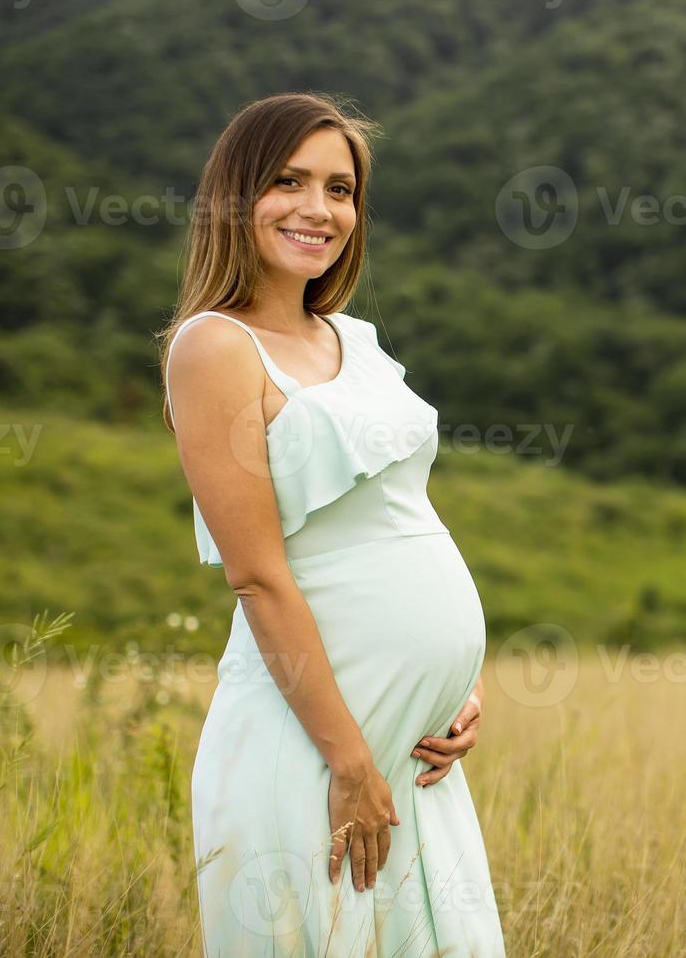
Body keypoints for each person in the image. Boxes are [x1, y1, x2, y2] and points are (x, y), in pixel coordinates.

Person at [159, 92, 506, 956]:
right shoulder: (215, 347)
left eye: (341, 189)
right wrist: (349, 764)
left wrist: (455, 686)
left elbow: (397, 520)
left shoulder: (356, 340)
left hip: (408, 753)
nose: (319, 209)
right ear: (236, 197)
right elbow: (258, 575)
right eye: (289, 181)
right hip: (317, 749)